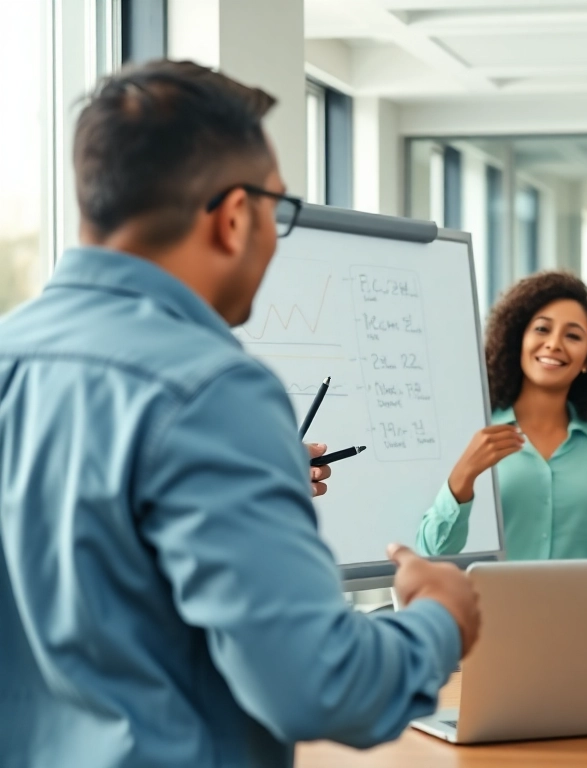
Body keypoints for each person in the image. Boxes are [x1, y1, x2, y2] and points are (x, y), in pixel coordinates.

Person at [0, 61, 480, 768]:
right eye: (279, 210)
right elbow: (323, 686)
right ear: (232, 217)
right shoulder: (211, 392)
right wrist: (439, 617)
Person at [416, 271, 587, 560]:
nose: (554, 344)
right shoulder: (473, 433)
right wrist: (465, 474)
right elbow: (431, 553)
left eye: (573, 336)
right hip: (489, 592)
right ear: (519, 339)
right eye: (542, 329)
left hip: (586, 594)